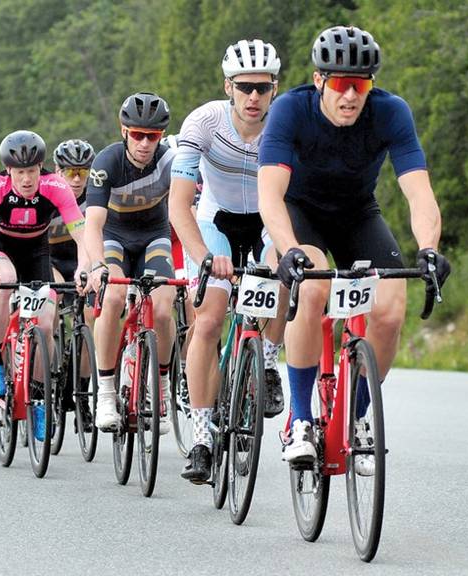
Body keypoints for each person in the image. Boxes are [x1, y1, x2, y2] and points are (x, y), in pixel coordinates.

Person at [258, 25, 451, 471]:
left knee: (390, 309)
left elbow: (420, 194)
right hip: (300, 213)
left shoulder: (390, 113)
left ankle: (358, 414)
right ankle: (301, 419)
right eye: (340, 84)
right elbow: (270, 195)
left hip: (358, 216)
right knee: (311, 288)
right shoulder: (290, 109)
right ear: (319, 79)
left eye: (360, 84)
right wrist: (288, 250)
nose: (350, 95)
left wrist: (427, 248)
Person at [170, 39, 287, 482]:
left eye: (262, 87)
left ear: (274, 88)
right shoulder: (204, 121)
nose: (253, 97)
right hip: (213, 221)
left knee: (282, 281)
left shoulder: (284, 122)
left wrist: (281, 250)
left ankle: (268, 362)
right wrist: (201, 257)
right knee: (208, 318)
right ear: (228, 86)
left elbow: (292, 201)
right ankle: (201, 437)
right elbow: (179, 205)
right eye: (244, 88)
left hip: (265, 221)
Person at [0, 130, 89, 440]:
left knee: (45, 323)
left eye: (32, 171)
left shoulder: (56, 186)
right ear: (8, 170)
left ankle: (39, 396)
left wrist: (85, 267)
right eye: (20, 172)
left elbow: (82, 235)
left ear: (42, 167)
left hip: (36, 251)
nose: (27, 179)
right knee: (4, 280)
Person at [85, 92, 176, 434]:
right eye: (137, 134)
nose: (143, 143)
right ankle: (106, 393)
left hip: (154, 237)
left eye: (151, 136)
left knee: (165, 308)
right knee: (112, 298)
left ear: (161, 136)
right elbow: (93, 224)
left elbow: (187, 212)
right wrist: (97, 266)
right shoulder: (106, 162)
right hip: (115, 239)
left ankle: (161, 390)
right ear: (124, 131)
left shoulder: (169, 160)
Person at [51, 138, 96, 429]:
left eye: (83, 172)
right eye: (69, 172)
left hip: (84, 260)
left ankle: (81, 394)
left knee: (90, 319)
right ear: (57, 171)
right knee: (50, 305)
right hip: (52, 261)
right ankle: (45, 371)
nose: (77, 179)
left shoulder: (97, 195)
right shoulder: (48, 194)